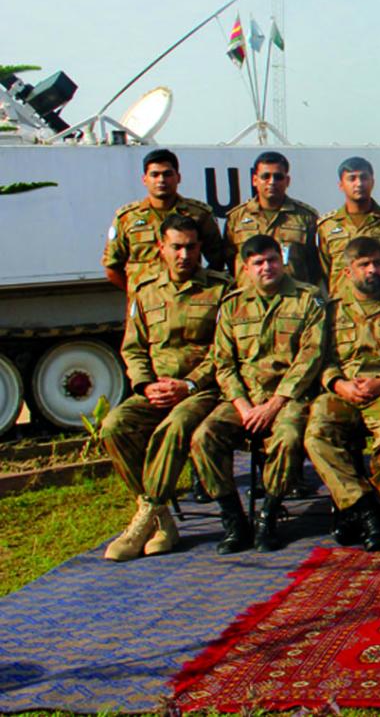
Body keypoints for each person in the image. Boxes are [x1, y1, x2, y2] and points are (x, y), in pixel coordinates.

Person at [99, 214, 231, 561]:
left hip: (202, 390)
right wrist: (145, 386)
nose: (184, 255)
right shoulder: (145, 292)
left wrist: (189, 384)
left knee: (175, 426)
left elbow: (225, 351)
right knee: (114, 426)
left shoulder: (220, 289)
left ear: (200, 248)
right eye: (176, 247)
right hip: (156, 389)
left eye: (191, 247)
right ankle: (161, 520)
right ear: (161, 248)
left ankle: (144, 520)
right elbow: (133, 348)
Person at [191, 233, 328, 553]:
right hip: (243, 399)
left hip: (288, 397)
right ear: (246, 268)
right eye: (258, 263)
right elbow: (223, 364)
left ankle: (268, 514)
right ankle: (233, 520)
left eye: (272, 260)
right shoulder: (233, 305)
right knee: (204, 437)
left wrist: (275, 404)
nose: (267, 267)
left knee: (288, 437)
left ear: (282, 261)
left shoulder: (307, 299)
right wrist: (243, 407)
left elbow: (311, 357)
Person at [302, 238, 380, 552]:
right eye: (364, 265)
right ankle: (366, 510)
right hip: (343, 390)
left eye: (377, 263)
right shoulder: (331, 310)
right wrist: (338, 383)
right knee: (316, 435)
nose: (372, 270)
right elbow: (319, 357)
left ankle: (364, 510)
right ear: (348, 271)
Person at [103, 148, 223, 295]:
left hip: (189, 299)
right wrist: (139, 295)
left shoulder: (199, 214)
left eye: (167, 174)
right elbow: (112, 267)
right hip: (146, 303)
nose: (161, 180)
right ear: (144, 179)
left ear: (178, 177)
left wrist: (204, 290)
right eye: (155, 175)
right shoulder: (128, 218)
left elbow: (217, 259)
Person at [222, 151, 323, 288]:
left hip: (293, 297)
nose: (272, 182)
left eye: (278, 177)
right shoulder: (237, 217)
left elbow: (316, 265)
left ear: (287, 181)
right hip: (249, 297)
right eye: (265, 176)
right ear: (254, 180)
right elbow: (228, 258)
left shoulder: (306, 217)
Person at [317, 156, 380, 294]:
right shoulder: (327, 226)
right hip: (342, 303)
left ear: (372, 182)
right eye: (352, 178)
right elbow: (324, 271)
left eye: (364, 178)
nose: (359, 184)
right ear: (341, 185)